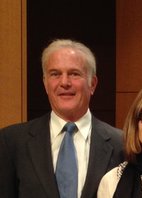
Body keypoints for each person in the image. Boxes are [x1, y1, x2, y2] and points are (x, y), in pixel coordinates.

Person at [0, 39, 123, 198]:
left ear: (92, 84)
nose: (64, 82)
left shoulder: (121, 144)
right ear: (45, 83)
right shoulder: (11, 142)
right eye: (55, 74)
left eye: (74, 73)